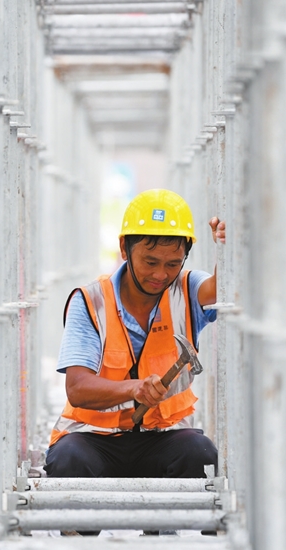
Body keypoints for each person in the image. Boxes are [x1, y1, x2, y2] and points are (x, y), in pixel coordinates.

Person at [44, 189, 225, 479]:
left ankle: (166, 524)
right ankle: (80, 525)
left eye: (172, 264)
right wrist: (134, 389)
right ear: (124, 249)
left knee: (200, 453)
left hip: (164, 437)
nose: (160, 275)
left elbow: (222, 287)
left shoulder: (188, 290)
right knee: (69, 459)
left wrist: (230, 247)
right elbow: (77, 389)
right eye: (150, 261)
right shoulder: (92, 301)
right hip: (95, 438)